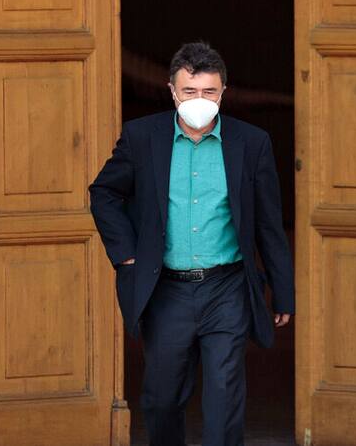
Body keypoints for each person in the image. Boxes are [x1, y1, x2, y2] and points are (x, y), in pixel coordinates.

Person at [88, 41, 295, 446]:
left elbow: (268, 223)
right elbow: (104, 193)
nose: (199, 100)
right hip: (166, 290)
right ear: (171, 91)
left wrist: (282, 292)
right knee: (162, 399)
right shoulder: (142, 137)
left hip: (227, 288)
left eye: (209, 91)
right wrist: (127, 255)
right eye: (189, 91)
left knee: (225, 397)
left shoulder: (251, 143)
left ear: (223, 92)